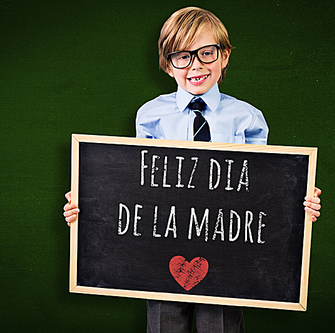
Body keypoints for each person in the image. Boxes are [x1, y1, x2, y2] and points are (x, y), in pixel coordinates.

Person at [64, 6, 321, 333]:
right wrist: (91, 203)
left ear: (224, 56)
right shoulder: (150, 116)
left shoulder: (247, 118)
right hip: (164, 249)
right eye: (182, 56)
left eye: (206, 53)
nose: (196, 65)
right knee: (165, 322)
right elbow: (139, 180)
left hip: (227, 248)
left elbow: (264, 186)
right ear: (168, 65)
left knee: (221, 325)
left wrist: (296, 204)